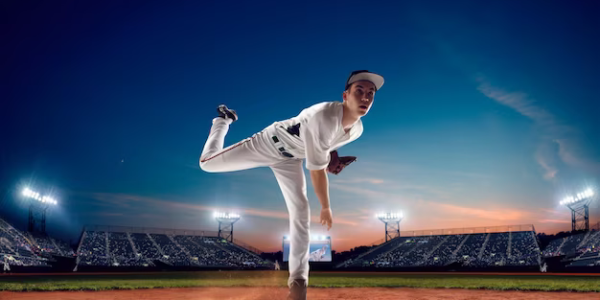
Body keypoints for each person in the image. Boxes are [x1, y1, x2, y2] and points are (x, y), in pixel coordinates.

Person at [199, 70, 384, 300]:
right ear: (345, 96)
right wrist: (326, 205)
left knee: (301, 211)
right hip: (268, 143)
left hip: (292, 159)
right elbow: (316, 170)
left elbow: (323, 144)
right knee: (207, 164)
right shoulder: (324, 114)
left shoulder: (357, 130)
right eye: (359, 91)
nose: (365, 97)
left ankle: (298, 283)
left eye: (371, 94)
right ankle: (222, 121)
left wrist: (330, 160)